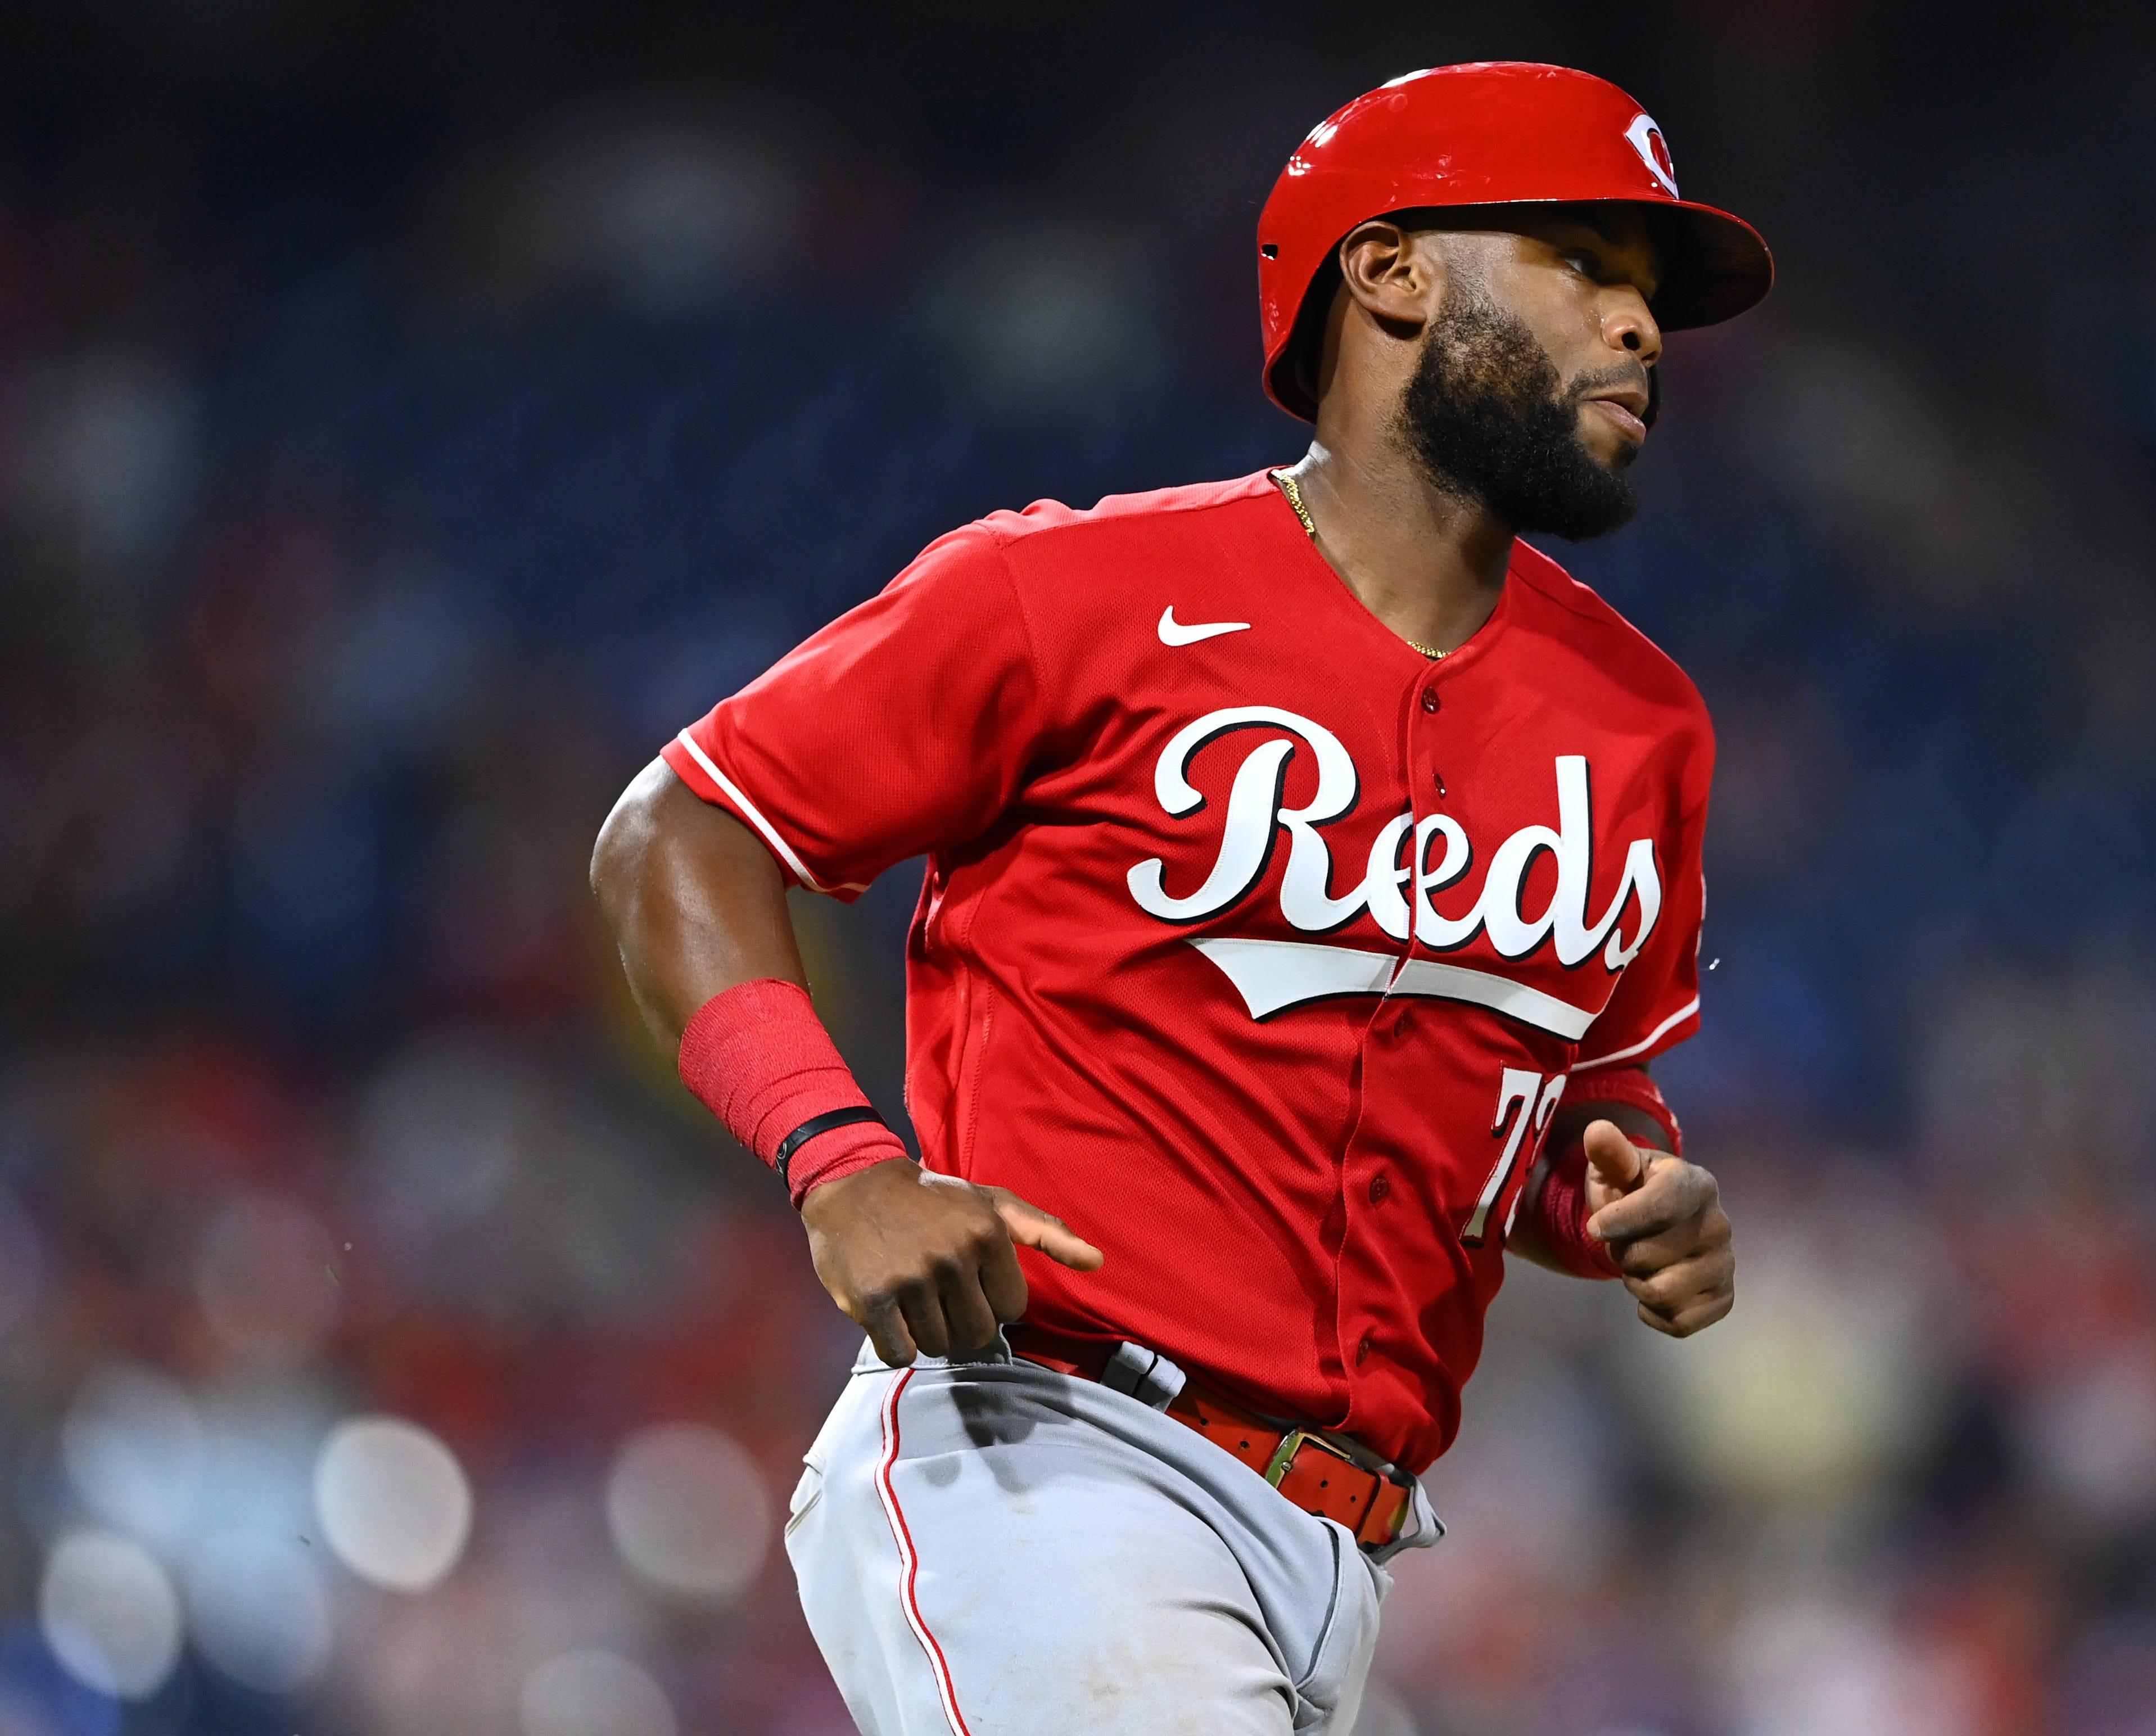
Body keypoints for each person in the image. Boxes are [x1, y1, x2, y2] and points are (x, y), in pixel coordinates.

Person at [590, 61, 1770, 1736]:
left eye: (1649, 294)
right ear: (1391, 271)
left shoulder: (1640, 719)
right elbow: (678, 835)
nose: (1640, 326)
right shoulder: (1069, 598)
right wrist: (840, 1163)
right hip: (1047, 1460)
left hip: (1341, 1549)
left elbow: (1569, 1092)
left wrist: (1627, 1196)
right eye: (1583, 260)